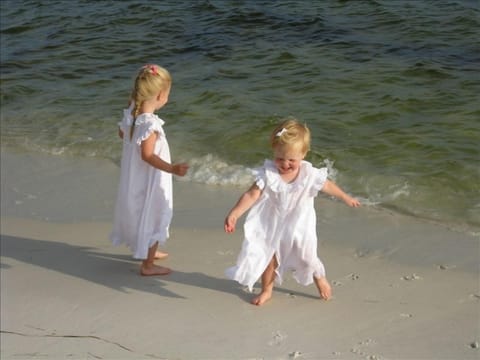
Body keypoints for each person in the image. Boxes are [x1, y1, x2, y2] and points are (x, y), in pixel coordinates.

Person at [224, 119, 360, 305]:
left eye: (291, 160)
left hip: (300, 224)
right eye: (280, 158)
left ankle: (319, 276)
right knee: (269, 257)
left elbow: (327, 185)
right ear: (273, 152)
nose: (285, 164)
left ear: (303, 154)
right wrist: (235, 213)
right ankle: (266, 290)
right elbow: (252, 194)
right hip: (272, 222)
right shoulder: (268, 174)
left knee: (306, 256)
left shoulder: (309, 174)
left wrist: (345, 197)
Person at [110, 64, 189, 276]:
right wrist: (172, 168)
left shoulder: (131, 115)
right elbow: (148, 155)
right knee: (154, 212)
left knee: (139, 211)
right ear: (161, 95)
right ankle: (148, 264)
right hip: (150, 179)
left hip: (134, 177)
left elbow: (122, 135)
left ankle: (148, 252)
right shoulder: (150, 125)